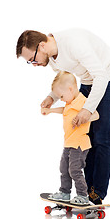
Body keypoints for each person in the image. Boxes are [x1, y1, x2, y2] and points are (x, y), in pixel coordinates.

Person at [16, 28, 110, 204]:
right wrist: (52, 97)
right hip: (89, 81)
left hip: (109, 79)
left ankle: (97, 194)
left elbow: (102, 76)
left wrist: (87, 109)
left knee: (101, 137)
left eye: (32, 59)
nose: (34, 64)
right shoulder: (51, 57)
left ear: (41, 46)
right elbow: (64, 79)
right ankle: (84, 193)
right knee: (84, 136)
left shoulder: (73, 44)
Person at [41, 71, 99, 205]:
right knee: (64, 168)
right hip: (69, 143)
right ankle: (65, 192)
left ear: (70, 89)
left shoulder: (82, 101)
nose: (61, 99)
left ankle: (82, 196)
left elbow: (96, 115)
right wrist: (50, 111)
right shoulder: (70, 102)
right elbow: (64, 110)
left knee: (75, 170)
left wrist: (83, 118)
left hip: (79, 144)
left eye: (61, 96)